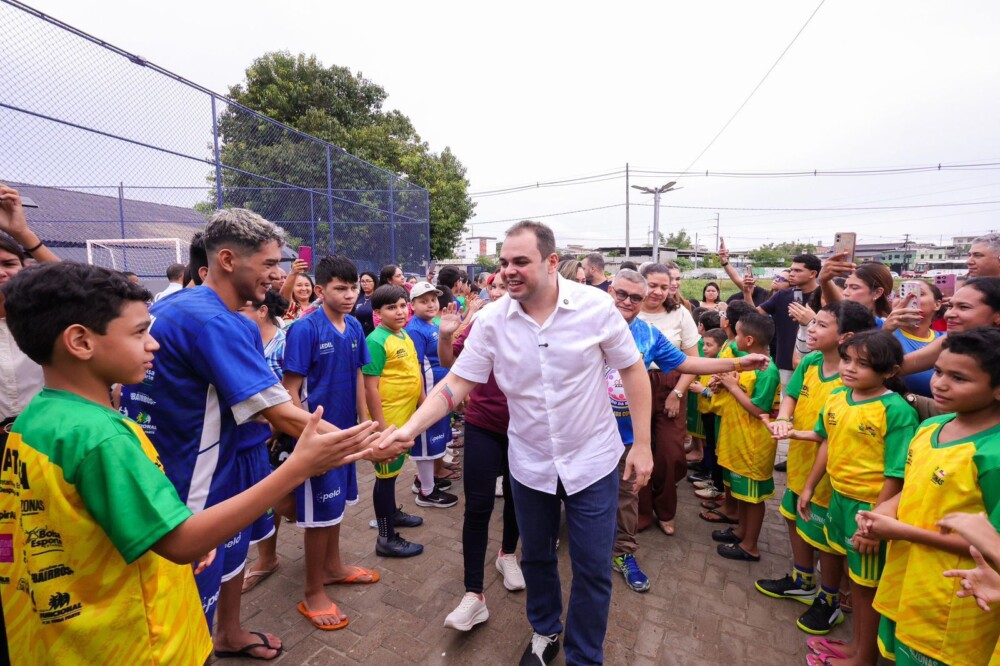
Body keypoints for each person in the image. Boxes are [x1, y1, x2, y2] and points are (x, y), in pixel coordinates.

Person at [0, 261, 379, 663]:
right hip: (137, 645)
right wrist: (296, 468)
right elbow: (182, 543)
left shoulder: (34, 421)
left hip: (57, 639)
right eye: (139, 332)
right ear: (80, 341)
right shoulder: (103, 438)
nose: (154, 344)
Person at [119, 208, 405, 658]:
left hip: (220, 457)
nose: (279, 276)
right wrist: (369, 443)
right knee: (192, 585)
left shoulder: (176, 304)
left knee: (233, 555)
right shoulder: (217, 321)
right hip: (196, 474)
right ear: (228, 260)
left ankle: (229, 632)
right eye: (269, 264)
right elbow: (285, 413)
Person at [380, 220, 656, 665]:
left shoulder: (595, 308)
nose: (508, 270)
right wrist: (408, 430)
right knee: (537, 558)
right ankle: (545, 631)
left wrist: (641, 445)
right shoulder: (491, 321)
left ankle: (585, 654)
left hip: (593, 461)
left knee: (591, 566)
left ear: (550, 262)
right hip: (529, 463)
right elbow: (455, 383)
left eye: (520, 262)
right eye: (504, 262)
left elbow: (633, 371)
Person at [607, 270, 770, 590]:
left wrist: (737, 363)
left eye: (635, 298)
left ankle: (622, 553)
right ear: (609, 291)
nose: (627, 302)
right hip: (580, 433)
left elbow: (687, 363)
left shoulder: (647, 335)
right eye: (622, 295)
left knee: (625, 495)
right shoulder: (580, 326)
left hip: (623, 436)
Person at [852, 328, 1000, 666]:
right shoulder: (931, 427)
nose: (940, 384)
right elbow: (913, 489)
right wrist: (881, 515)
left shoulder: (993, 455)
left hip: (954, 597)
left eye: (959, 378)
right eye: (938, 371)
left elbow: (992, 545)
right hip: (908, 578)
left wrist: (901, 532)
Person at [794, 331, 919, 666]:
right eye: (847, 359)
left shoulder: (895, 411)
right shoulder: (838, 396)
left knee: (866, 586)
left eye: (863, 364)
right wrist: (809, 486)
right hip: (838, 498)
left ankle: (864, 656)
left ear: (890, 371)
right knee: (853, 576)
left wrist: (875, 522)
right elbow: (827, 442)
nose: (850, 368)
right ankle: (856, 646)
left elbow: (897, 473)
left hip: (869, 508)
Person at [758, 301, 876, 635]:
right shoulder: (811, 361)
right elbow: (792, 394)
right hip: (800, 458)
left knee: (828, 540)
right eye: (814, 323)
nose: (812, 328)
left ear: (847, 336)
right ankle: (802, 578)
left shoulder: (854, 378)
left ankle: (830, 599)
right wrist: (783, 418)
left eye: (822, 325)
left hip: (831, 472)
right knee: (793, 515)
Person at [282, 255, 381, 630]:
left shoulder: (355, 327)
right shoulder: (305, 329)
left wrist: (365, 421)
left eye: (353, 287)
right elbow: (289, 391)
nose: (349, 294)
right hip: (317, 441)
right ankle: (312, 593)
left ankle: (334, 567)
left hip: (347, 434)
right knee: (318, 515)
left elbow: (358, 375)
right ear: (320, 290)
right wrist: (306, 437)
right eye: (340, 288)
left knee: (335, 507)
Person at [438, 271, 525, 632]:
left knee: (519, 500)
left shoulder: (542, 323)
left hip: (526, 430)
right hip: (483, 426)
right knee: (478, 506)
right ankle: (474, 595)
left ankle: (508, 556)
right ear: (488, 291)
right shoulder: (486, 321)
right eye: (496, 286)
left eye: (508, 286)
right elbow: (450, 366)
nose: (502, 292)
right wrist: (445, 335)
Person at [0, 184, 60, 663]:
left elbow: (89, 287)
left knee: (47, 544)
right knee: (6, 547)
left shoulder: (43, 318)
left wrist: (23, 233)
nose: (1, 276)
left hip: (45, 449)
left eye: (8, 265)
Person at [709, 312, 781, 562]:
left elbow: (759, 409)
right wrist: (729, 384)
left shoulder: (767, 371)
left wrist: (731, 386)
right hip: (738, 439)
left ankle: (750, 545)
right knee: (743, 495)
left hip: (754, 445)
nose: (734, 338)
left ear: (749, 340)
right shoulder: (750, 362)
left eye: (737, 334)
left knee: (753, 498)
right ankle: (741, 530)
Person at [363, 284, 426, 558]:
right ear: (377, 312)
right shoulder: (376, 341)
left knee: (393, 474)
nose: (400, 311)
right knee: (385, 478)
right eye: (391, 307)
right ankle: (386, 537)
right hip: (389, 422)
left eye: (403, 305)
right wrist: (380, 429)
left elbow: (415, 371)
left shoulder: (403, 335)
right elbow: (369, 387)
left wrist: (424, 403)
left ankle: (392, 514)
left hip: (406, 418)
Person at [637, 262, 701, 534]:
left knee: (670, 453)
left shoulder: (680, 314)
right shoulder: (627, 311)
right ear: (641, 283)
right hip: (633, 385)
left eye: (664, 287)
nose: (658, 292)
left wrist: (677, 393)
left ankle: (665, 509)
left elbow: (694, 360)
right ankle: (639, 511)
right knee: (635, 451)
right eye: (652, 285)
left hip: (671, 384)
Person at [237, 290, 291, 594]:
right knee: (263, 500)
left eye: (243, 308)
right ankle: (265, 558)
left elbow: (289, 392)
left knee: (278, 500)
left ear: (262, 311)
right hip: (253, 432)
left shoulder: (284, 343)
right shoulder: (239, 341)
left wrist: (277, 430)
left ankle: (270, 559)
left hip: (278, 432)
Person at [405, 281, 460, 504]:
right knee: (426, 442)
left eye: (433, 300)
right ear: (413, 305)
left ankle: (424, 480)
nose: (430, 304)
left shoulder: (434, 324)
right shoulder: (415, 329)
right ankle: (426, 492)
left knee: (436, 439)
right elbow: (415, 368)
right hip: (427, 396)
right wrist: (423, 400)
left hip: (439, 392)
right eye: (423, 301)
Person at [748, 253, 822, 387]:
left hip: (816, 364)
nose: (792, 273)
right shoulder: (783, 295)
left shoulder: (823, 296)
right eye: (792, 269)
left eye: (798, 270)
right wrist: (747, 292)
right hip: (785, 364)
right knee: (786, 403)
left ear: (813, 273)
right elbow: (754, 315)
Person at [352, 270, 378, 337]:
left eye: (368, 281)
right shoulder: (358, 298)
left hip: (373, 334)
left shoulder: (379, 298)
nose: (365, 284)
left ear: (374, 282)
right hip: (359, 334)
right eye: (362, 281)